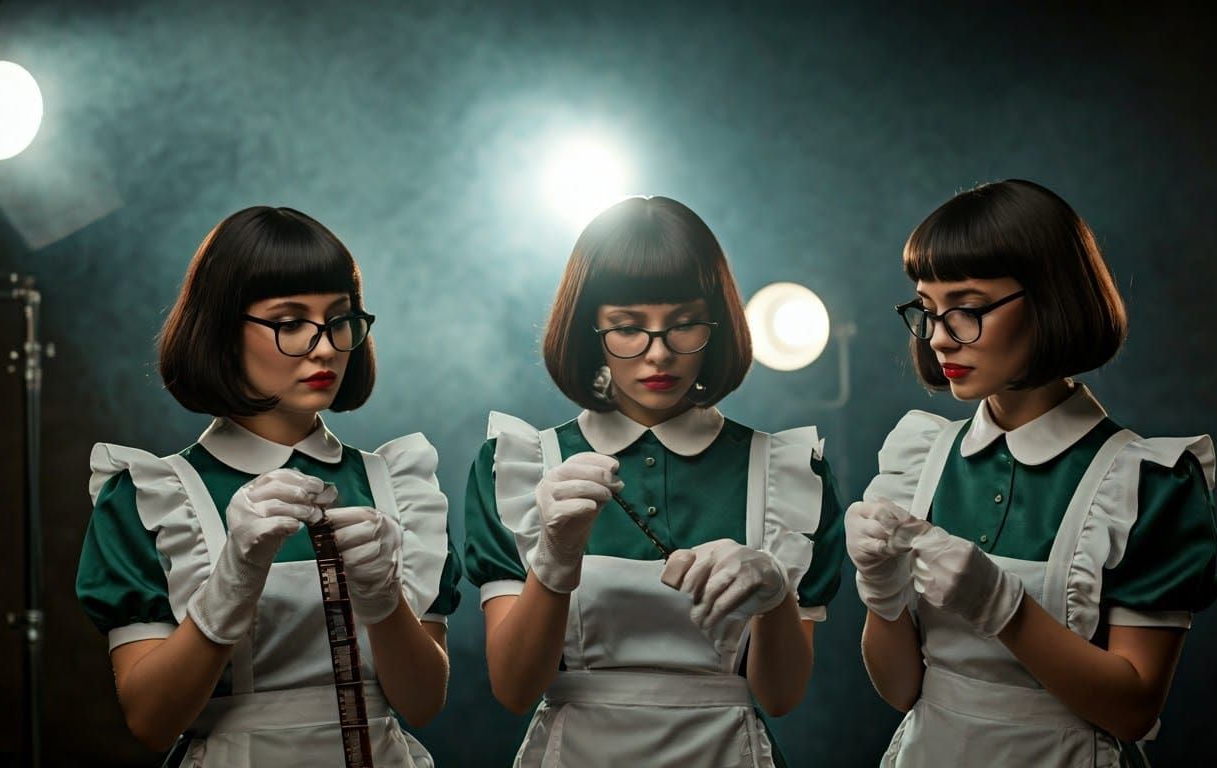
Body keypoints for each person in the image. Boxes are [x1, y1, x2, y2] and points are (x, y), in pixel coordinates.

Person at [463, 196, 846, 767]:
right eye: (627, 328)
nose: (659, 354)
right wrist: (554, 558)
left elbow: (781, 697)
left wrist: (776, 599)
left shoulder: (789, 469)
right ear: (589, 329)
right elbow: (515, 689)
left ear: (715, 326)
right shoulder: (520, 464)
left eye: (684, 324)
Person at [848, 179, 1217, 766]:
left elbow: (1134, 710)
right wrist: (880, 594)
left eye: (967, 310)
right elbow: (901, 691)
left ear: (1051, 298)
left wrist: (1005, 607)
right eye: (928, 309)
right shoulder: (919, 458)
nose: (941, 337)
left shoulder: (1147, 481)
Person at [75, 206, 461, 766]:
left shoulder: (398, 484)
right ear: (222, 330)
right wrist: (232, 581)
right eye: (289, 322)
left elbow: (423, 704)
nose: (325, 346)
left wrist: (384, 602)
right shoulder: (151, 495)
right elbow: (152, 721)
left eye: (339, 319)